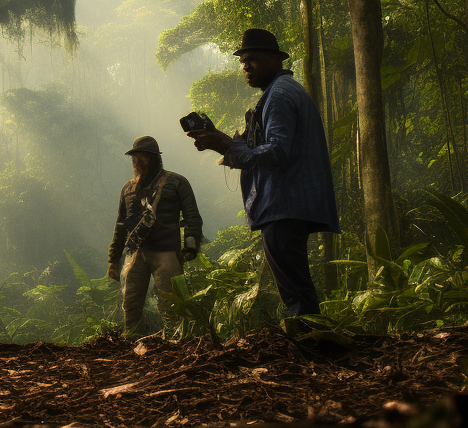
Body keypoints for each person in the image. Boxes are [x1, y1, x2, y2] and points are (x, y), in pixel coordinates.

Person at [187, 28, 339, 320]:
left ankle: (311, 344)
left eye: (252, 59)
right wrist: (224, 143)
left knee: (295, 290)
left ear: (274, 59)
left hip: (285, 203)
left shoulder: (280, 95)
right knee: (295, 283)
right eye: (243, 61)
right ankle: (312, 341)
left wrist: (230, 147)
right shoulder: (278, 93)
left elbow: (278, 151)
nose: (246, 67)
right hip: (287, 203)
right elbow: (265, 146)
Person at [106, 136, 204, 337]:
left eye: (140, 157)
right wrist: (113, 260)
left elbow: (192, 216)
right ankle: (130, 341)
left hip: (166, 253)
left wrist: (191, 246)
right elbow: (121, 225)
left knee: (171, 303)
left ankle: (176, 341)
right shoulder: (128, 188)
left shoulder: (176, 182)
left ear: (152, 158)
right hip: (135, 254)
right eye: (134, 157)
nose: (135, 161)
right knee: (130, 304)